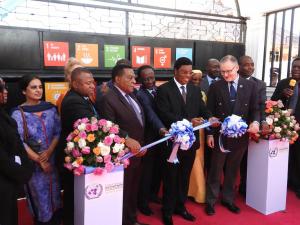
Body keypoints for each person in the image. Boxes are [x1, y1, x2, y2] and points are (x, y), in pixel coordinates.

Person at [156, 57, 217, 225]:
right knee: (170, 178)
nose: (187, 75)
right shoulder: (164, 90)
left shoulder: (195, 90)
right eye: (184, 72)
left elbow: (202, 109)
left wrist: (210, 116)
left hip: (190, 144)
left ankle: (180, 207)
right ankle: (167, 211)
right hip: (172, 144)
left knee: (184, 177)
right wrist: (189, 121)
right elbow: (164, 114)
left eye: (190, 72)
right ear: (175, 71)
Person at [205, 55, 260, 216]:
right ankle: (210, 201)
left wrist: (255, 122)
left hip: (240, 136)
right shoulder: (216, 86)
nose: (225, 75)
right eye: (222, 72)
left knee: (233, 169)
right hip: (220, 135)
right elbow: (209, 110)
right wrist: (209, 133)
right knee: (215, 170)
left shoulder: (250, 86)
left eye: (228, 71)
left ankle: (228, 199)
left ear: (236, 68)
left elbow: (255, 109)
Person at [99, 64, 147, 225]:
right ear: (117, 79)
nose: (135, 80)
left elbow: (139, 122)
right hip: (123, 156)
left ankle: (132, 220)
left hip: (137, 153)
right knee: (123, 193)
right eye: (130, 77)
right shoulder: (108, 97)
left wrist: (141, 144)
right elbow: (108, 125)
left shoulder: (131, 95)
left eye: (134, 77)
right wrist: (126, 139)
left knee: (133, 191)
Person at [11, 75, 62, 225]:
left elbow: (58, 132)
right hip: (34, 167)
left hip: (52, 162)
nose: (38, 90)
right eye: (33, 87)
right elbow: (19, 142)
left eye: (40, 87)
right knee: (40, 203)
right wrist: (40, 160)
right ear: (23, 91)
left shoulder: (51, 108)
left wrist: (49, 153)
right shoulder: (18, 113)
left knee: (55, 199)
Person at [56, 67, 98, 225]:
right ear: (75, 84)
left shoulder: (82, 97)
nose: (93, 86)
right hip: (73, 158)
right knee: (73, 197)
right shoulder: (73, 100)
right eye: (88, 83)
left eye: (92, 83)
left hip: (79, 157)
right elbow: (92, 126)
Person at [0, 77, 33, 225]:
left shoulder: (4, 115)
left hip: (10, 184)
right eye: (2, 89)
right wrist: (22, 173)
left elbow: (15, 145)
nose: (6, 92)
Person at [136, 65, 168, 216]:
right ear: (140, 79)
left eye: (152, 77)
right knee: (147, 172)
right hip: (149, 138)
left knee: (159, 169)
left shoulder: (160, 90)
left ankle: (153, 194)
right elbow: (150, 114)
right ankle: (143, 202)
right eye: (146, 78)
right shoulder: (140, 94)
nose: (150, 81)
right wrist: (162, 129)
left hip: (164, 138)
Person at [238, 55, 267, 197]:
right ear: (238, 66)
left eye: (252, 64)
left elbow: (261, 106)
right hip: (234, 127)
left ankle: (245, 186)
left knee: (248, 159)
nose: (250, 67)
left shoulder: (260, 84)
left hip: (253, 127)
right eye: (246, 65)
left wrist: (262, 122)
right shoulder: (231, 80)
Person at [271, 57, 300, 198]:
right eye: (294, 66)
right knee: (285, 155)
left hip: (299, 123)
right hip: (284, 124)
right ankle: (286, 180)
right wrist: (283, 94)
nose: (296, 69)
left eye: (299, 67)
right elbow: (273, 101)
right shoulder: (284, 83)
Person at [187, 69, 207, 203]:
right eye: (194, 79)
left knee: (199, 160)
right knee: (193, 162)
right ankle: (196, 191)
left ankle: (197, 191)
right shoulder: (186, 92)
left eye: (199, 80)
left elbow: (206, 111)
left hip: (202, 131)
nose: (197, 82)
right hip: (189, 129)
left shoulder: (202, 93)